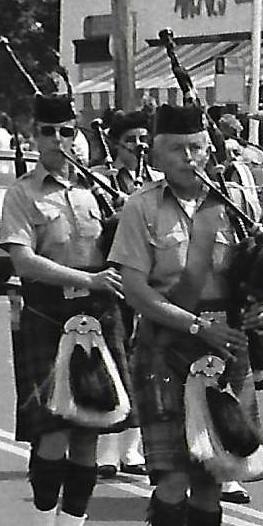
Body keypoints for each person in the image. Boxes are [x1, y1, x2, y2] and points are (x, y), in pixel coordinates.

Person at [111, 103, 263, 526]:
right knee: (172, 481)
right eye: (178, 149)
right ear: (157, 154)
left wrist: (262, 308)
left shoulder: (233, 205)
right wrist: (192, 325)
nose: (191, 158)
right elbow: (134, 288)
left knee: (211, 481)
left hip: (224, 349)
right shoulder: (141, 209)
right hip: (165, 346)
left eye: (198, 147)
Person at [0, 93, 129, 526]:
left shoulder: (100, 188)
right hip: (48, 313)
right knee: (51, 431)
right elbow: (23, 260)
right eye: (49, 132)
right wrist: (89, 278)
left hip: (98, 314)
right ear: (35, 137)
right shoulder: (23, 194)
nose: (60, 141)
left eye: (67, 131)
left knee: (89, 432)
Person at [93, 108, 154, 478]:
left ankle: (132, 450)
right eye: (131, 139)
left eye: (144, 139)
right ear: (116, 142)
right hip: (112, 278)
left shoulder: (158, 182)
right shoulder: (98, 179)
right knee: (112, 361)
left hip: (150, 280)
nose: (138, 146)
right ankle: (106, 450)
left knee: (143, 364)